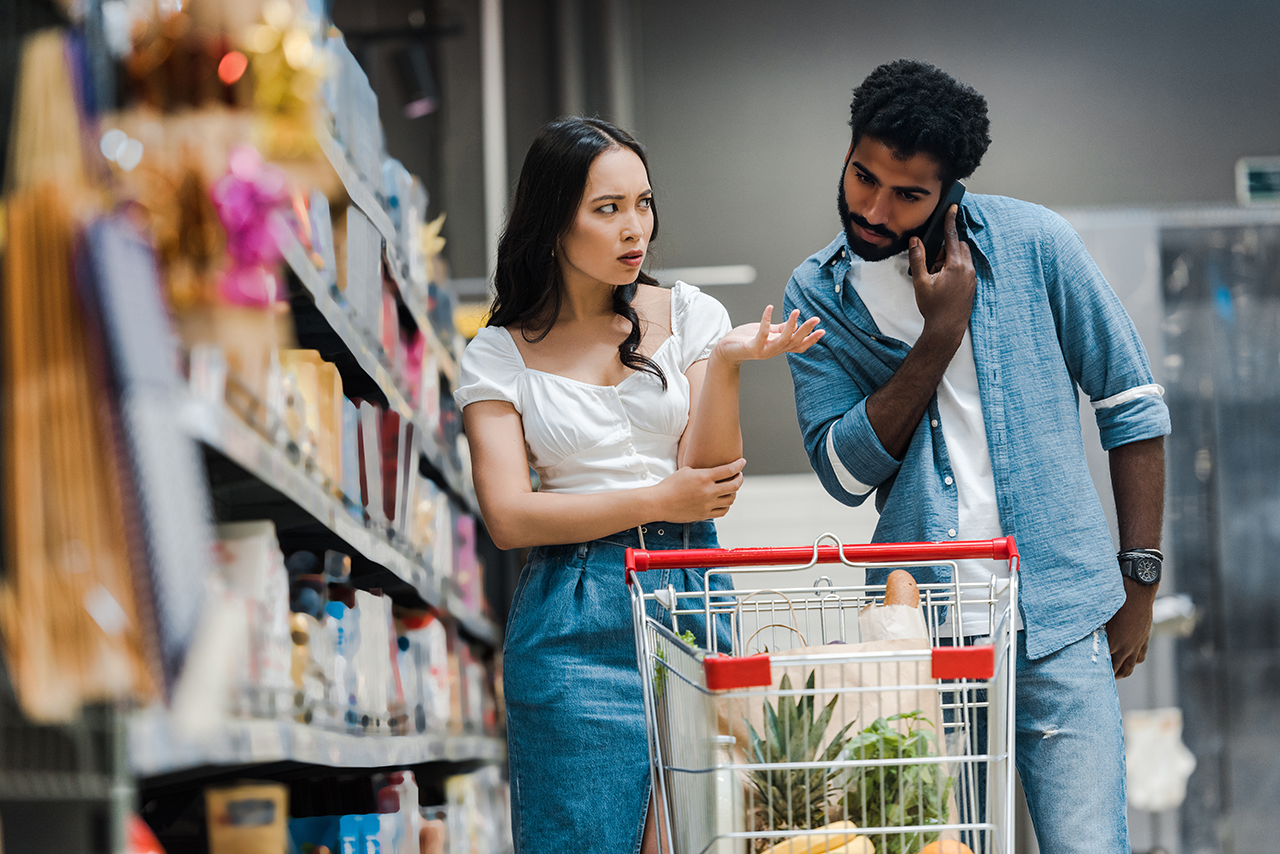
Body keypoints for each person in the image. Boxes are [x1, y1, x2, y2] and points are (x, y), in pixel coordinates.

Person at [783, 60, 1169, 852]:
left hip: (1058, 614)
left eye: (907, 194)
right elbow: (844, 472)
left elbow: (1131, 404)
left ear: (949, 190)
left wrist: (1140, 580)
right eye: (862, 177)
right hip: (919, 635)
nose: (874, 209)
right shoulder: (816, 295)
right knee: (936, 849)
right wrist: (938, 337)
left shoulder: (1034, 244)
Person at [455, 116, 822, 854]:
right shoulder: (497, 353)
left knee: (700, 836)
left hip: (692, 589)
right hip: (573, 613)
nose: (636, 229)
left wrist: (726, 365)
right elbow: (509, 517)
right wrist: (660, 500)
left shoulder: (690, 313)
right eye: (608, 209)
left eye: (644, 203)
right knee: (582, 838)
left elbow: (712, 480)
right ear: (553, 223)